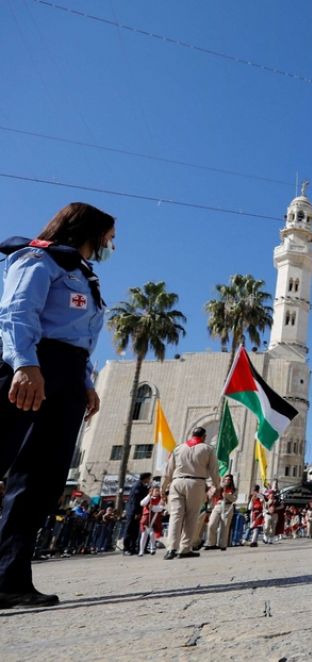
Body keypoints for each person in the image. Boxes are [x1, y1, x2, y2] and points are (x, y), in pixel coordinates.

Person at [0, 202, 115, 608]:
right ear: (88, 230)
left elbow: (80, 339)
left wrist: (85, 384)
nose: (110, 244)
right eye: (107, 236)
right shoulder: (38, 258)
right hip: (33, 367)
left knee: (40, 481)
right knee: (14, 468)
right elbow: (17, 312)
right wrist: (25, 365)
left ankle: (10, 577)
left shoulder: (84, 275)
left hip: (65, 378)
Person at [161, 427, 222, 560]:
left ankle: (171, 548)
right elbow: (214, 471)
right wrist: (217, 486)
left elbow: (168, 471)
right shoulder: (208, 449)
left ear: (192, 435)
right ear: (204, 436)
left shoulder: (178, 448)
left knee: (175, 516)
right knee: (191, 517)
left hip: (177, 483)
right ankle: (185, 548)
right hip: (195, 483)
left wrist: (163, 488)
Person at [204, 474, 237, 550]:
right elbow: (210, 495)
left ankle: (222, 544)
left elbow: (234, 499)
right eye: (226, 479)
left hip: (227, 506)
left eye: (229, 479)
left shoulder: (234, 489)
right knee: (211, 524)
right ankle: (211, 543)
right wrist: (216, 489)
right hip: (218, 505)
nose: (227, 481)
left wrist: (227, 495)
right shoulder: (219, 488)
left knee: (224, 526)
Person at [122, 473, 152, 555]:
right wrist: (137, 512)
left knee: (135, 531)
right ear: (145, 478)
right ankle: (126, 549)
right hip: (133, 511)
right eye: (149, 478)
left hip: (138, 511)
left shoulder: (143, 486)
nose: (149, 480)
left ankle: (133, 548)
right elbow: (135, 500)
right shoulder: (137, 486)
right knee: (129, 530)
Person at [139, 485, 165, 556]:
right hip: (146, 518)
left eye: (158, 491)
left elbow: (160, 508)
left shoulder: (161, 499)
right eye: (156, 491)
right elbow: (142, 503)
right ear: (151, 491)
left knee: (152, 533)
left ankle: (152, 547)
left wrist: (153, 507)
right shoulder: (148, 498)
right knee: (144, 535)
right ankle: (141, 551)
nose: (157, 492)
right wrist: (148, 496)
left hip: (155, 518)